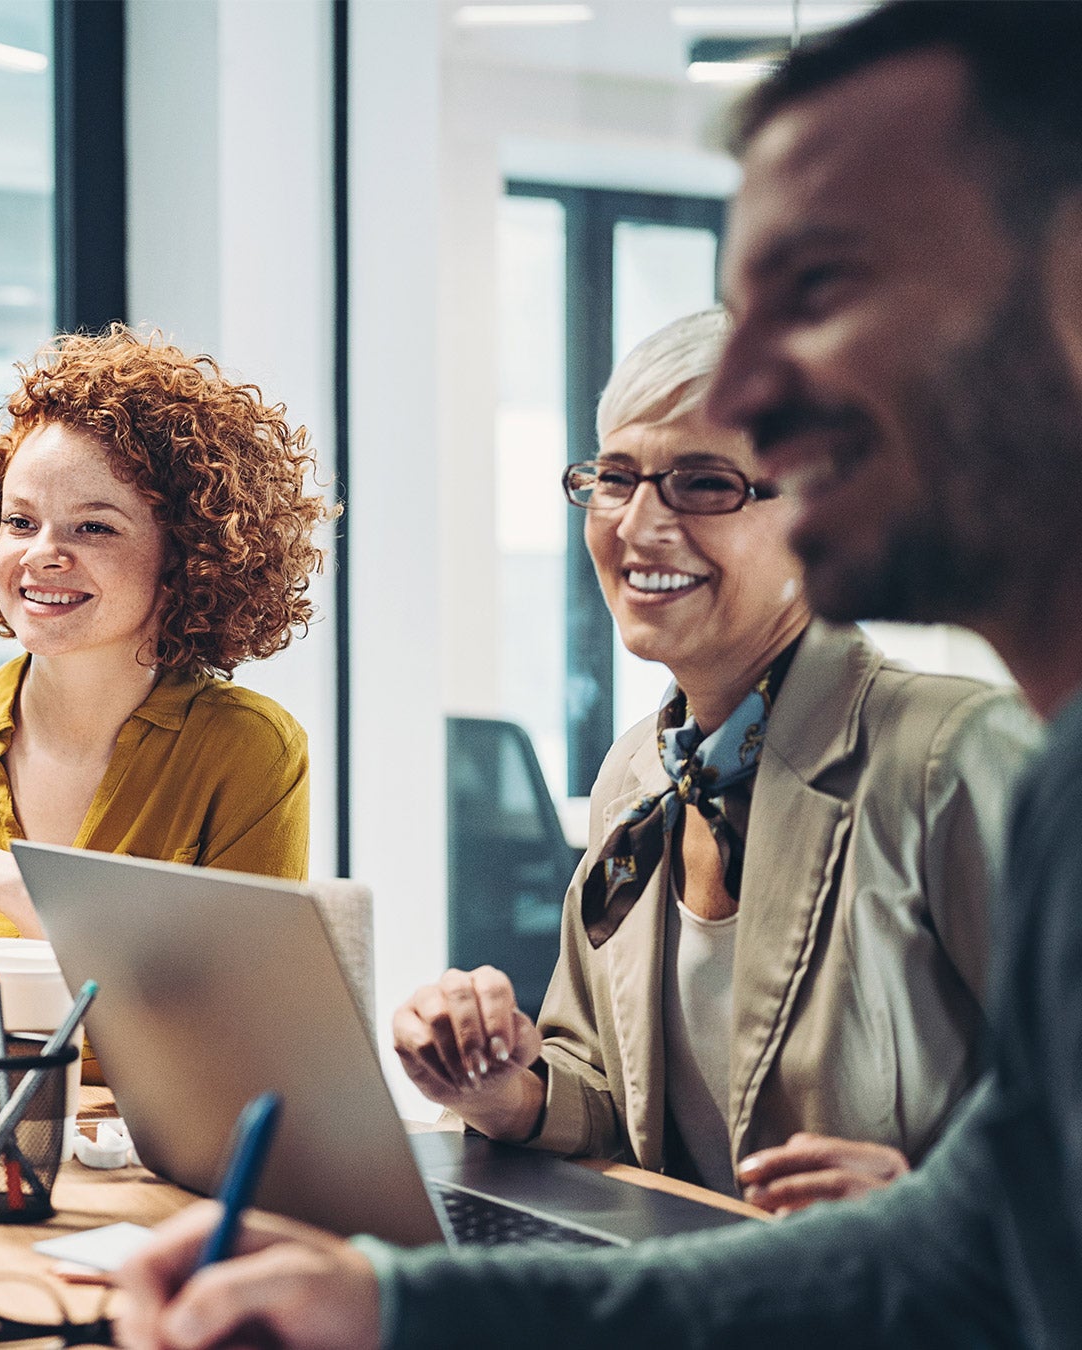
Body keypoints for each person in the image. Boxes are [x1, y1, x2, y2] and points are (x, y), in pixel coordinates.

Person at [113, 4, 1082, 1347]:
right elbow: (973, 1242)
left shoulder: (978, 759)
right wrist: (390, 1300)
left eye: (821, 289)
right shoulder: (1041, 786)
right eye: (615, 472)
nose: (752, 384)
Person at [390, 307, 1032, 1211]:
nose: (639, 526)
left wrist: (932, 1205)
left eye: (704, 484)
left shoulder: (953, 756)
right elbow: (614, 1098)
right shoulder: (639, 776)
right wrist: (500, 1089)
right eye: (616, 478)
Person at [0, 327, 330, 1093]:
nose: (42, 552)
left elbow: (243, 1032)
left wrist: (11, 887)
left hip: (149, 1177)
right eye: (20, 521)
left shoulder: (249, 750)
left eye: (93, 527)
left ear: (186, 553)